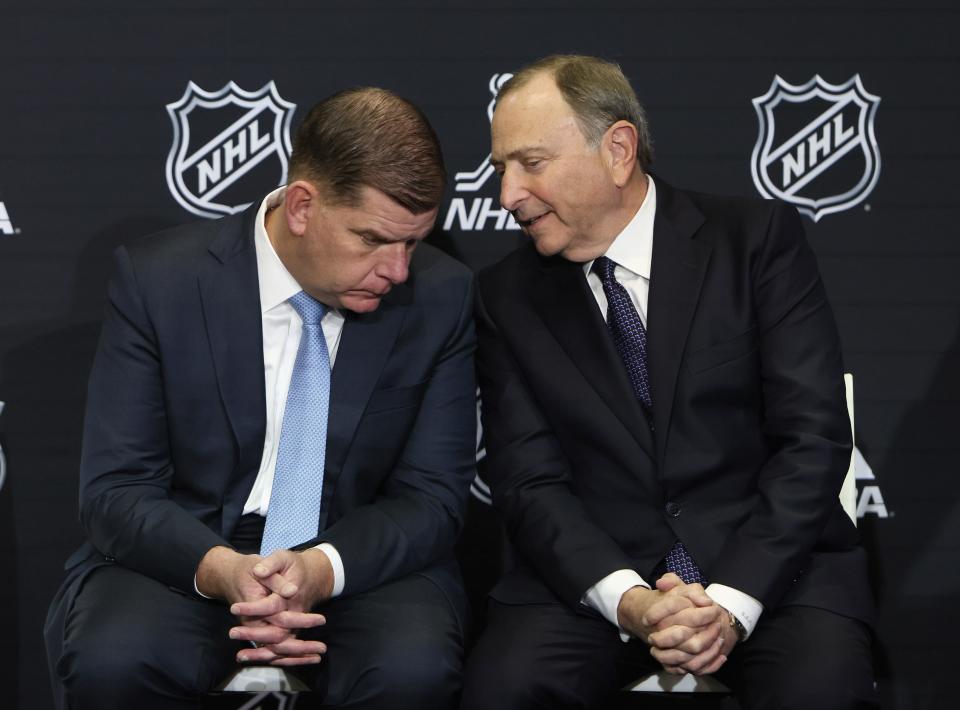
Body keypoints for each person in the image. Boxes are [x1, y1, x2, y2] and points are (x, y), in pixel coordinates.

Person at [460, 55, 877, 710]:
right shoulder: (504, 296)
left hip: (773, 569)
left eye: (530, 164)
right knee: (504, 690)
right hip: (596, 579)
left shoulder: (755, 243)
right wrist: (632, 602)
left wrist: (730, 603)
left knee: (820, 691)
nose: (507, 195)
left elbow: (813, 440)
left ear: (619, 150)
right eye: (500, 170)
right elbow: (529, 481)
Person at [44, 87, 477, 709]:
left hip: (356, 554)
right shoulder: (159, 282)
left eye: (413, 242)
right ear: (302, 206)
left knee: (412, 669)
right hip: (189, 546)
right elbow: (116, 488)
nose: (400, 270)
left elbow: (432, 498)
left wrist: (322, 569)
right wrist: (223, 569)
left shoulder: (442, 296)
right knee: (114, 659)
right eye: (375, 239)